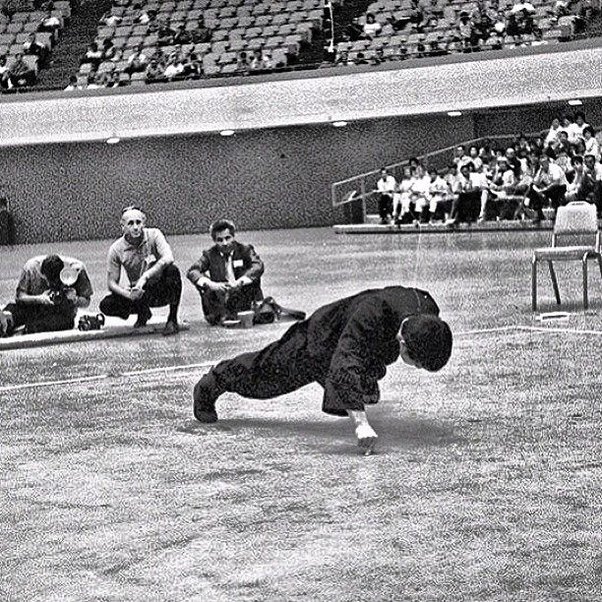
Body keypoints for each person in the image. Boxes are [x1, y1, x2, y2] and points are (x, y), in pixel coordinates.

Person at [190, 286, 453, 455]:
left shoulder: (427, 314)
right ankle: (213, 381)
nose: (416, 367)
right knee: (266, 376)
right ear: (403, 343)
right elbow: (345, 360)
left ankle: (357, 388)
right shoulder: (372, 314)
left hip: (368, 343)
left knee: (362, 382)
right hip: (321, 338)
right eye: (417, 362)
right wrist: (361, 424)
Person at [99, 206, 181, 335]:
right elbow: (111, 283)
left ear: (144, 223)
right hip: (138, 294)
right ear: (123, 227)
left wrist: (145, 277)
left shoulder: (154, 234)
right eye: (130, 223)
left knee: (172, 271)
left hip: (157, 290)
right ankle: (143, 312)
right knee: (106, 304)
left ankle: (172, 319)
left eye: (138, 222)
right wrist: (128, 294)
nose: (136, 227)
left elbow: (168, 257)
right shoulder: (116, 249)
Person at [187, 219, 264, 325]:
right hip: (221, 297)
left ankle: (247, 310)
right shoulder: (209, 254)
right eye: (220, 240)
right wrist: (212, 284)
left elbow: (258, 266)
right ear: (214, 241)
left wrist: (240, 282)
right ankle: (217, 314)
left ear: (233, 236)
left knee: (253, 277)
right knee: (202, 280)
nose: (225, 243)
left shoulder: (245, 250)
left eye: (228, 238)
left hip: (242, 294)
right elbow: (193, 271)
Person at [1, 254, 93, 336]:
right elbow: (19, 297)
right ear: (42, 273)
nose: (49, 285)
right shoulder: (31, 268)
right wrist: (40, 299)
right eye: (47, 281)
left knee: (64, 322)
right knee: (12, 310)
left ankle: (27, 329)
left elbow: (87, 301)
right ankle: (6, 322)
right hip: (33, 307)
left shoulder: (77, 269)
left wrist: (75, 299)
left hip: (59, 312)